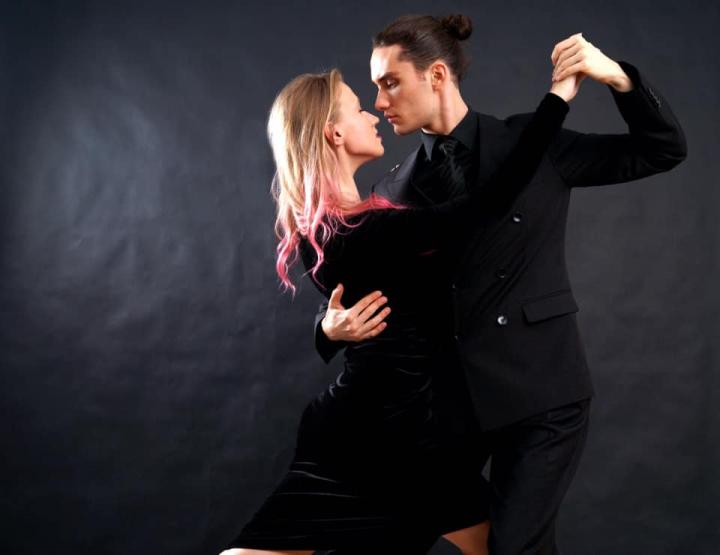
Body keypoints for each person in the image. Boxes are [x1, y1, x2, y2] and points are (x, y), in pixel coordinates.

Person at [314, 14, 687, 555]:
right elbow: (358, 284)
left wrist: (618, 78)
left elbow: (662, 149)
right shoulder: (392, 190)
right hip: (449, 405)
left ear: (436, 75)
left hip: (541, 393)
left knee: (514, 546)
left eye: (390, 82)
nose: (378, 101)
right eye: (375, 87)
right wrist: (328, 327)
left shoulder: (532, 143)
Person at [218, 49, 580, 555]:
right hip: (383, 436)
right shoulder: (370, 229)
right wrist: (558, 99)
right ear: (334, 133)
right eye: (356, 108)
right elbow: (491, 203)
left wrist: (326, 327)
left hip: (397, 431)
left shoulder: (327, 229)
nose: (372, 113)